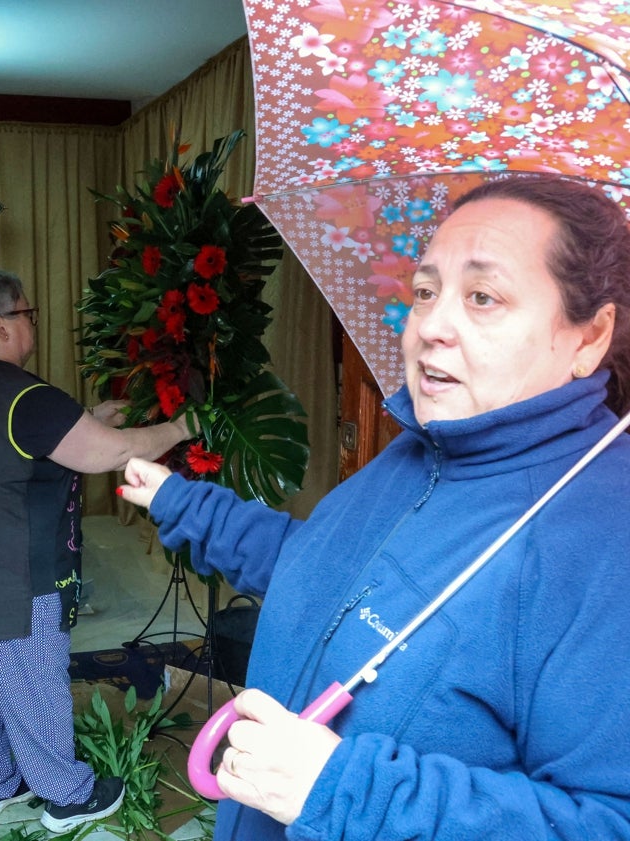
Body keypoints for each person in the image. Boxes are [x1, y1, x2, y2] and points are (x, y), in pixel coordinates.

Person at [119, 175, 630, 840]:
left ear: (589, 337)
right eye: (425, 291)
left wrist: (347, 792)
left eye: (483, 296)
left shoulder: (603, 541)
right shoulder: (419, 448)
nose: (430, 326)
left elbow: (607, 821)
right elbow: (319, 569)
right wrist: (182, 502)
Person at [0, 268, 199, 834]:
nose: (33, 323)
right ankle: (66, 797)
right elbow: (108, 454)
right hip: (11, 574)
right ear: (1, 326)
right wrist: (178, 428)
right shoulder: (28, 398)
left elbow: (19, 442)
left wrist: (87, 419)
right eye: (27, 314)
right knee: (31, 685)